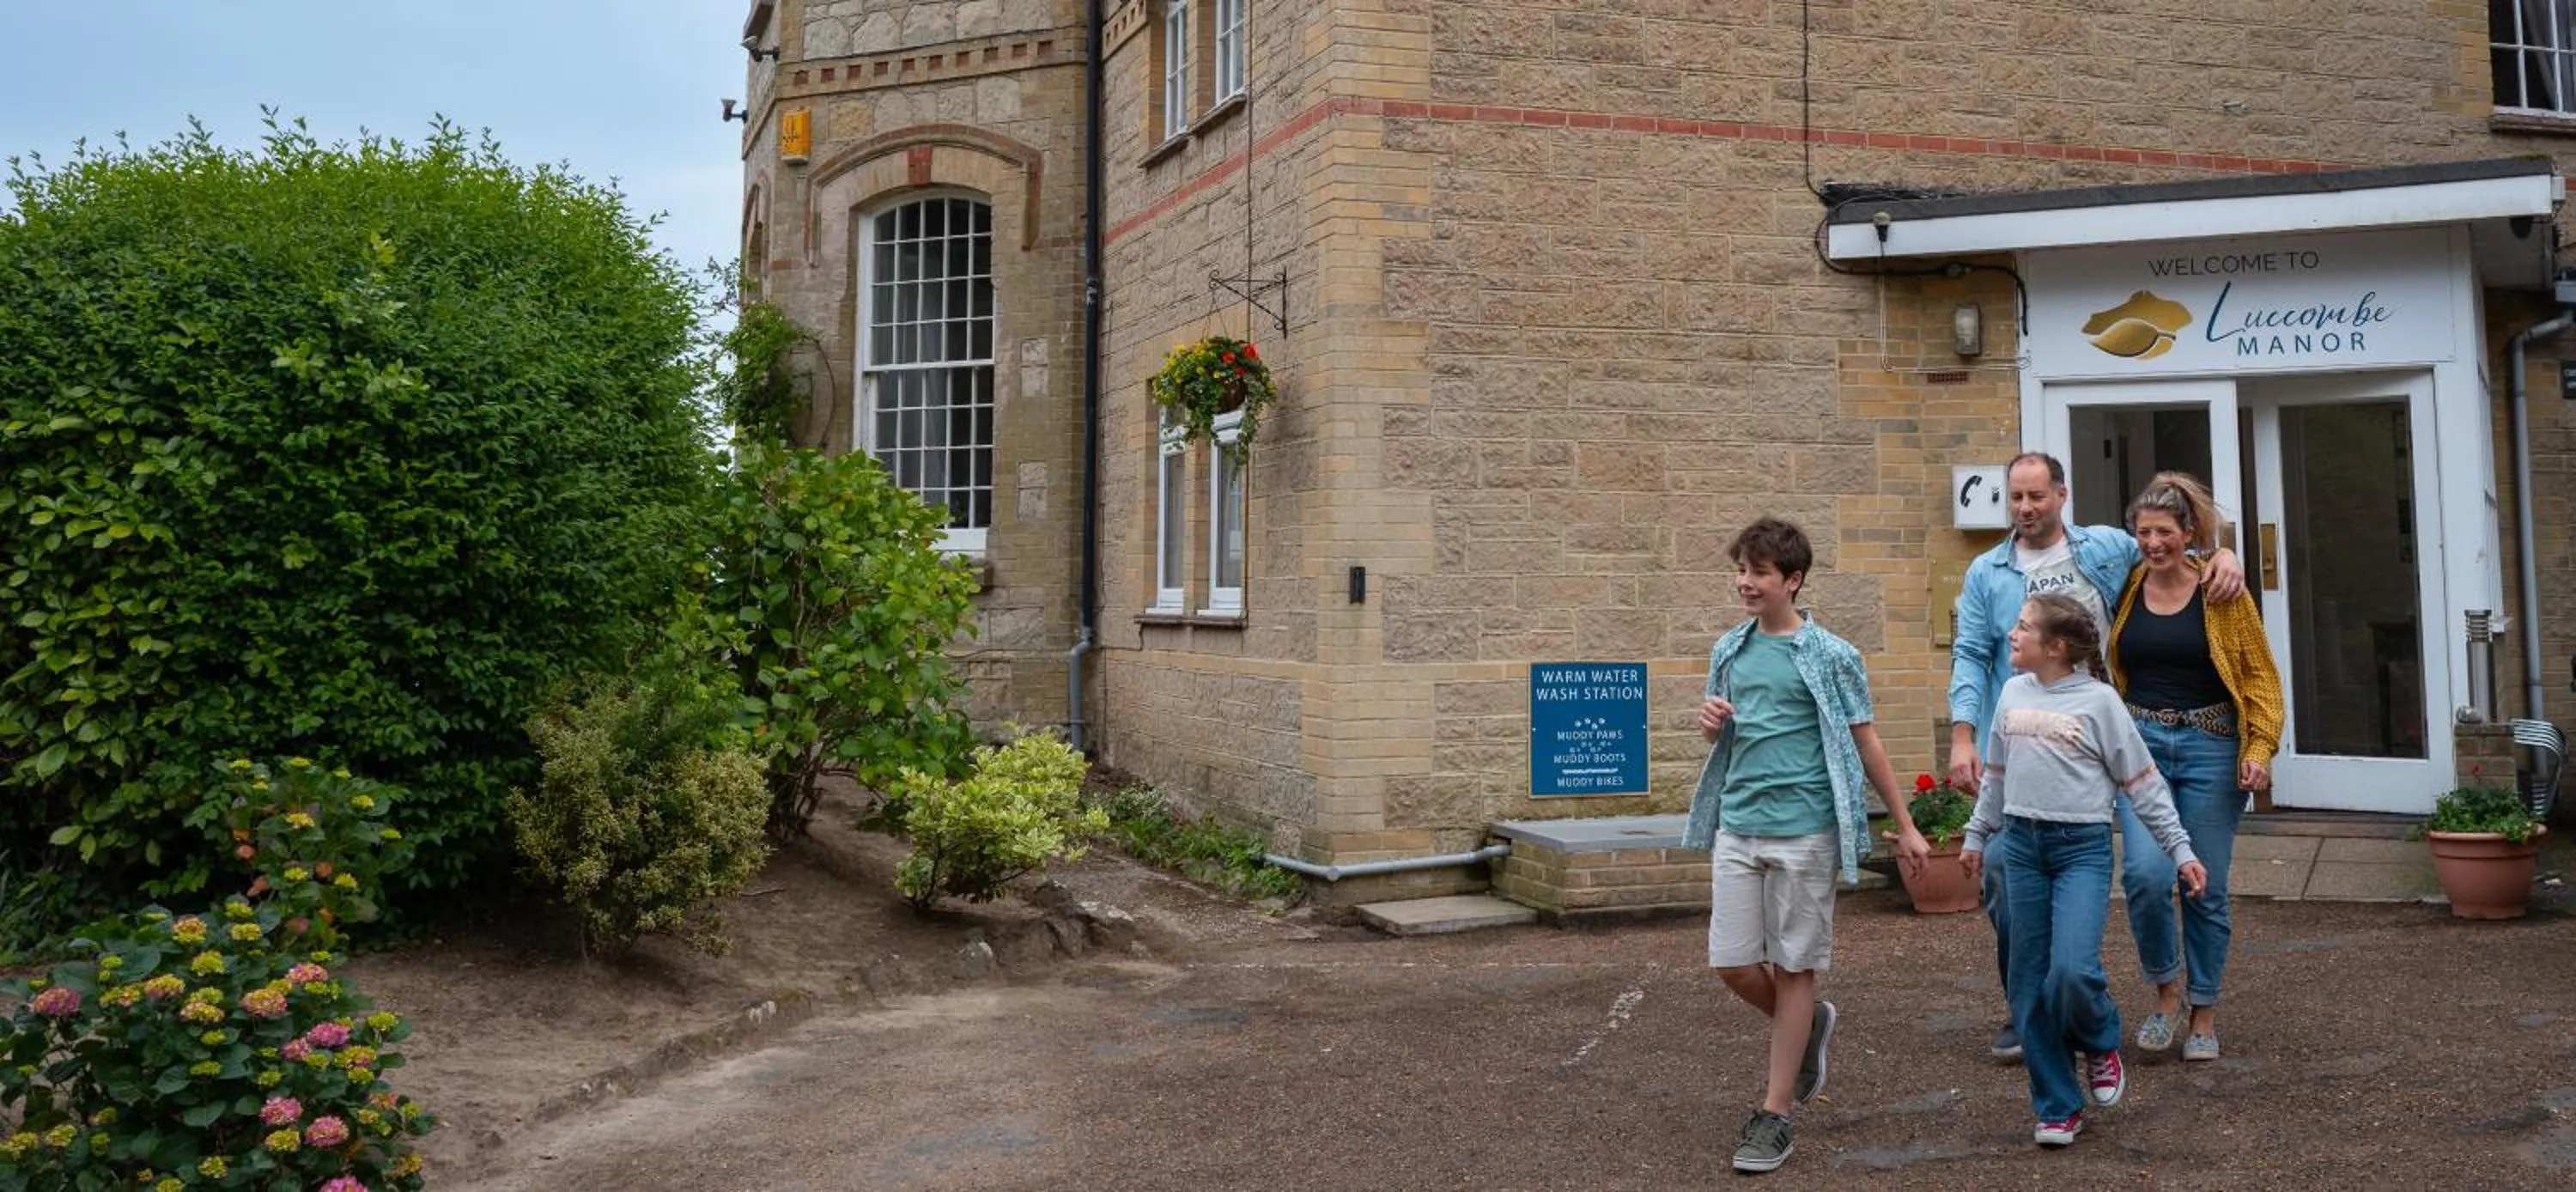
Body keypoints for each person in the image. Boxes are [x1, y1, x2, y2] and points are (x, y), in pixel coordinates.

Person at [1947, 452, 2242, 1062]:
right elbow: (1971, 653)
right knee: (2002, 869)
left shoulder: (2106, 548)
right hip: (2023, 740)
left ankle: (2102, 998)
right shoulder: (1987, 571)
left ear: (2062, 495)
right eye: (2016, 498)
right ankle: (2026, 1003)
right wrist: (1963, 734)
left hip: (2101, 733)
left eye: (2037, 496)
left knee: (2120, 869)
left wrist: (2224, 554)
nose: (2025, 509)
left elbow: (2173, 549)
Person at [1684, 516, 1933, 1175]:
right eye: (1741, 571)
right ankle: (1811, 1025)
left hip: (1806, 828)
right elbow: (1728, 734)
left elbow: (1865, 739)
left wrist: (1906, 825)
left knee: (1794, 966)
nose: (1746, 583)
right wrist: (1712, 724)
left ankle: (1775, 1115)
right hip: (1738, 823)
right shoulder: (1729, 649)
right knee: (1733, 963)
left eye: (1759, 573)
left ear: (1792, 581)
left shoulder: (1831, 654)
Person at [1959, 592, 2208, 1148]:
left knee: (2071, 971)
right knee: (2027, 983)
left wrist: (2181, 850)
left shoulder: (2100, 704)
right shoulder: (2011, 693)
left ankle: (2099, 1040)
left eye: (2023, 628)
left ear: (2057, 646)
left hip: (2081, 851)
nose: (2012, 636)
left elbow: (2142, 784)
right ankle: (2057, 1106)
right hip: (2021, 845)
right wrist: (1978, 836)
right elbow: (1995, 777)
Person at [2107, 472, 2283, 1064]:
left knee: (2203, 883)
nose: (2153, 543)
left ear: (2189, 534)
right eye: (2143, 531)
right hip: (2142, 747)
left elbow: (2260, 677)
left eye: (2164, 531)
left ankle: (2204, 1011)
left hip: (2211, 745)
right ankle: (2165, 994)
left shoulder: (2220, 590)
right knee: (2146, 876)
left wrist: (2259, 750)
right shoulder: (2126, 583)